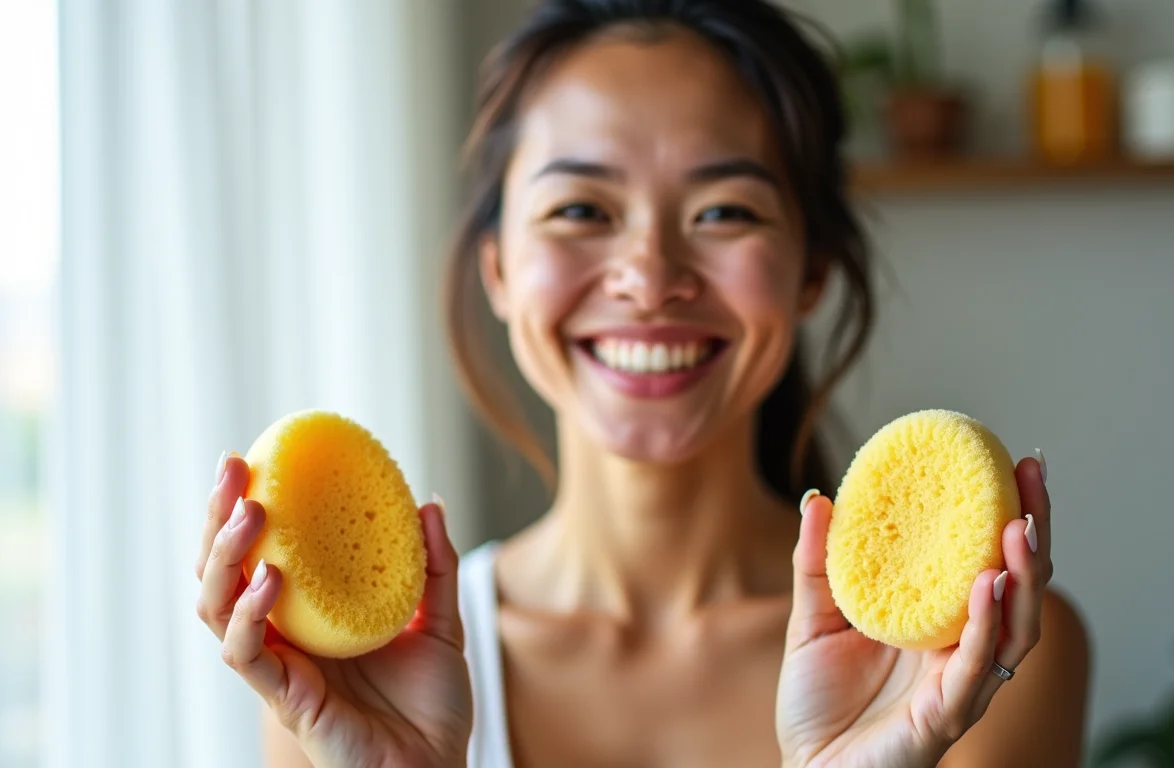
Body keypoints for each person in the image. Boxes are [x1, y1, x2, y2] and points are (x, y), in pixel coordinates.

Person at [194, 1, 1091, 765]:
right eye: (581, 209)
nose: (650, 274)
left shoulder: (973, 659)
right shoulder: (350, 682)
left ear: (810, 267)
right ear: (499, 266)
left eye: (724, 212)